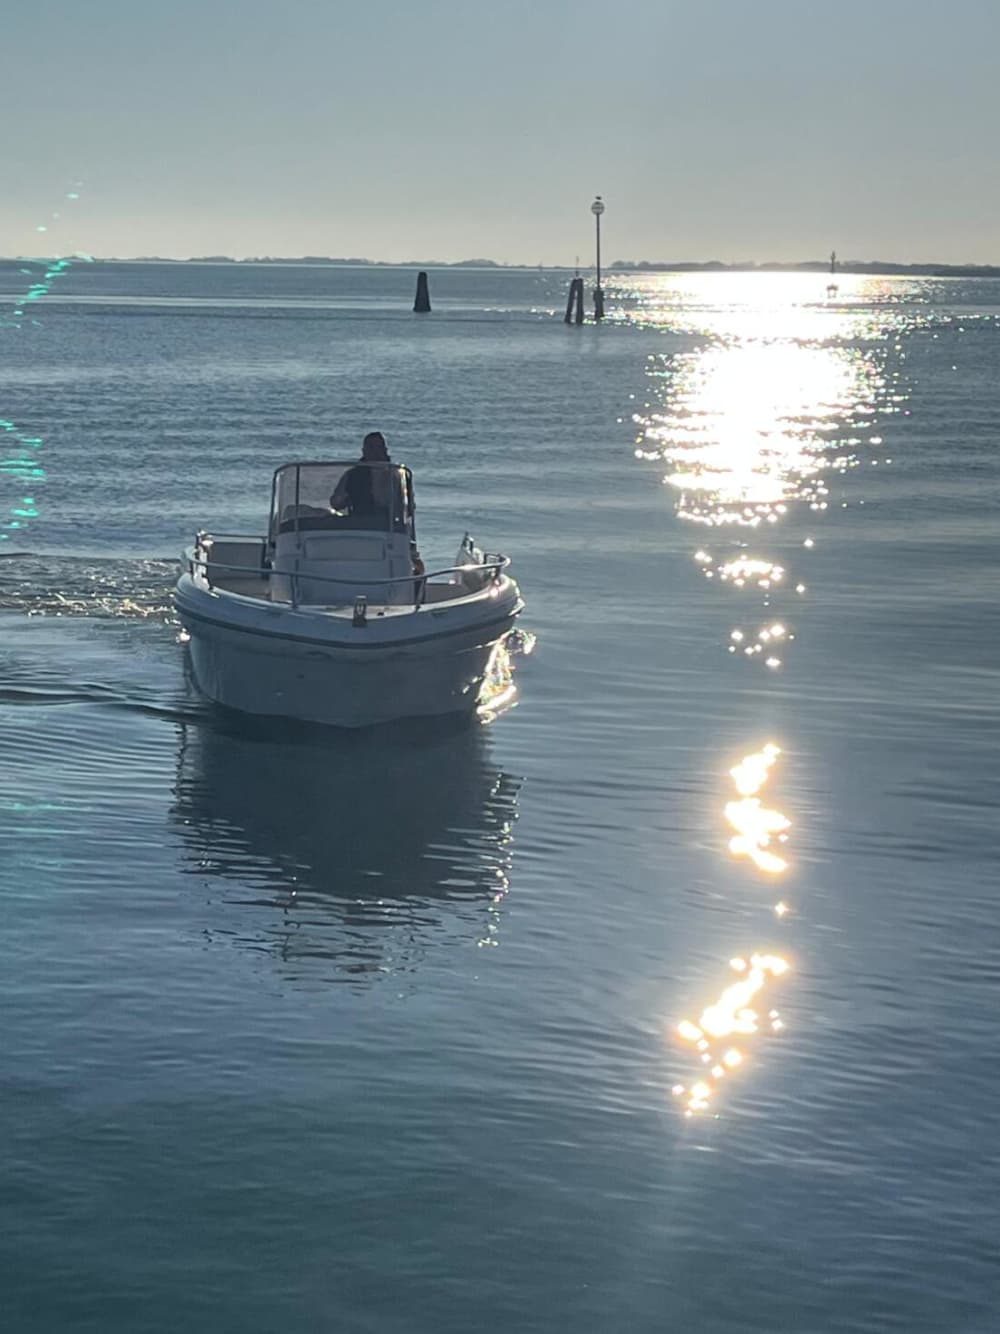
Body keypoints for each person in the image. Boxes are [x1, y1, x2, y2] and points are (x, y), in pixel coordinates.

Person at [331, 431, 391, 516]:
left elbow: (406, 505)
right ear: (364, 451)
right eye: (371, 448)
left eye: (379, 447)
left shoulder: (396, 475)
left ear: (385, 450)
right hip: (360, 523)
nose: (376, 452)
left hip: (389, 525)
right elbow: (336, 502)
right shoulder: (352, 475)